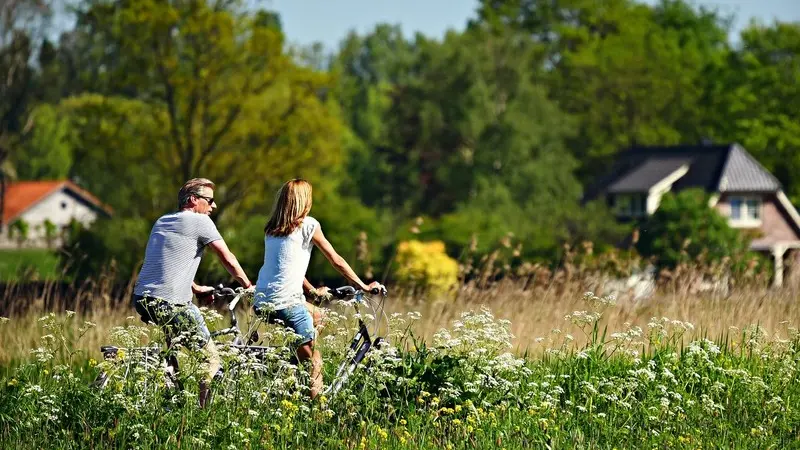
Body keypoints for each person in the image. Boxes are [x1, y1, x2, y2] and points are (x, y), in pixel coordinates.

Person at [253, 178, 383, 399]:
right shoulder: (309, 225)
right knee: (316, 361)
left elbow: (286, 267)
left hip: (263, 299)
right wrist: (363, 286)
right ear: (305, 201)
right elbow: (336, 259)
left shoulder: (272, 229)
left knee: (318, 315)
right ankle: (317, 414)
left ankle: (294, 368)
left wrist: (312, 290)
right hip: (287, 302)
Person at [132, 178, 253, 408]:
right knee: (211, 360)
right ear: (193, 200)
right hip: (171, 302)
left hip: (142, 298)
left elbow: (166, 264)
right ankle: (201, 414)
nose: (213, 206)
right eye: (209, 200)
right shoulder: (200, 221)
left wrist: (196, 288)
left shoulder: (162, 221)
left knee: (172, 353)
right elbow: (227, 258)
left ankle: (172, 403)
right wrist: (248, 286)